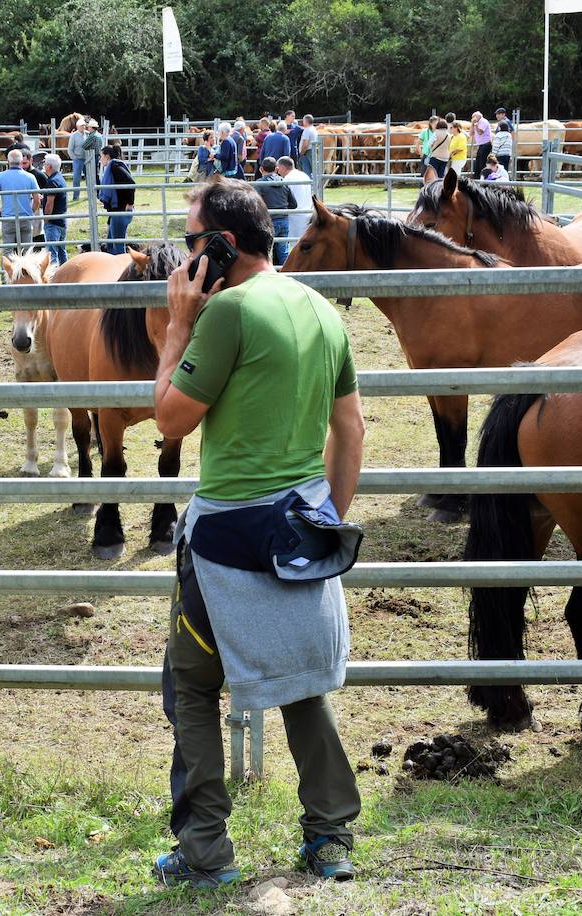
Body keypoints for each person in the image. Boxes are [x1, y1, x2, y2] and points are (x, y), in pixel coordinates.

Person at [151, 175, 364, 889]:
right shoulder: (322, 311)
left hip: (225, 539)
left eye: (189, 242)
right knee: (303, 681)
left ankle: (205, 851)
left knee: (190, 686)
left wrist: (177, 326)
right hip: (301, 524)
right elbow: (351, 428)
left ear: (221, 245)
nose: (182, 260)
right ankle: (330, 839)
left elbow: (170, 420)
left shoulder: (228, 314)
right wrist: (326, 520)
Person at [0, 149, 40, 248]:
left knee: (8, 250)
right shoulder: (30, 177)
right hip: (25, 217)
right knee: (27, 250)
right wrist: (31, 211)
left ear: (8, 161)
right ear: (21, 161)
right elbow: (37, 199)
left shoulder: (0, 176)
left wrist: (0, 213)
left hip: (8, 217)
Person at [254, 157, 297, 265]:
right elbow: (294, 204)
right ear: (276, 169)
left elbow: (256, 204)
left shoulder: (260, 183)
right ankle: (288, 274)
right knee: (283, 252)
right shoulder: (283, 182)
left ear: (261, 169)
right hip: (283, 220)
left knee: (266, 252)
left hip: (268, 221)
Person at [98, 143, 134, 254]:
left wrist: (130, 202)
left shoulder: (115, 167)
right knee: (111, 244)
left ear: (107, 156)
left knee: (117, 245)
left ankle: (121, 268)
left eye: (101, 156)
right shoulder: (112, 168)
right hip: (116, 210)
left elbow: (130, 183)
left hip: (120, 209)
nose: (100, 160)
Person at [276, 156, 313, 240]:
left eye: (278, 168)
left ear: (282, 167)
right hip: (307, 213)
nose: (278, 172)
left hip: (294, 216)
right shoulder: (304, 175)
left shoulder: (287, 179)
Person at [41, 152, 68, 266]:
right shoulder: (59, 179)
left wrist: (46, 219)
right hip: (61, 220)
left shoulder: (52, 181)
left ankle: (53, 277)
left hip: (53, 222)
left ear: (49, 166)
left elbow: (49, 204)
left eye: (45, 164)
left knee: (52, 253)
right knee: (61, 251)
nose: (44, 166)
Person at [68, 118, 90, 201]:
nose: (83, 127)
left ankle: (89, 195)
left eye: (84, 125)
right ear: (77, 127)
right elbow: (70, 149)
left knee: (89, 177)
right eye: (81, 126)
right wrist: (74, 158)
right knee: (76, 178)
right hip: (78, 159)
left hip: (87, 159)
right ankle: (76, 196)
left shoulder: (87, 134)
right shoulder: (73, 136)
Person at [470, 111, 493, 176]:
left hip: (486, 144)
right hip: (481, 145)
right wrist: (472, 124)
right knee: (477, 162)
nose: (473, 119)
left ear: (478, 116)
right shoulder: (476, 123)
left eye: (474, 117)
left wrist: (476, 125)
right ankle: (477, 176)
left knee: (482, 163)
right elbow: (471, 133)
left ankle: (483, 177)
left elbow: (480, 132)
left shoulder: (484, 122)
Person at [299, 115, 320, 179]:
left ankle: (309, 187)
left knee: (306, 172)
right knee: (313, 170)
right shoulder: (313, 129)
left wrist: (301, 153)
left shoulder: (307, 130)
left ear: (305, 121)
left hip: (307, 152)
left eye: (303, 120)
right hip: (312, 151)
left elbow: (305, 144)